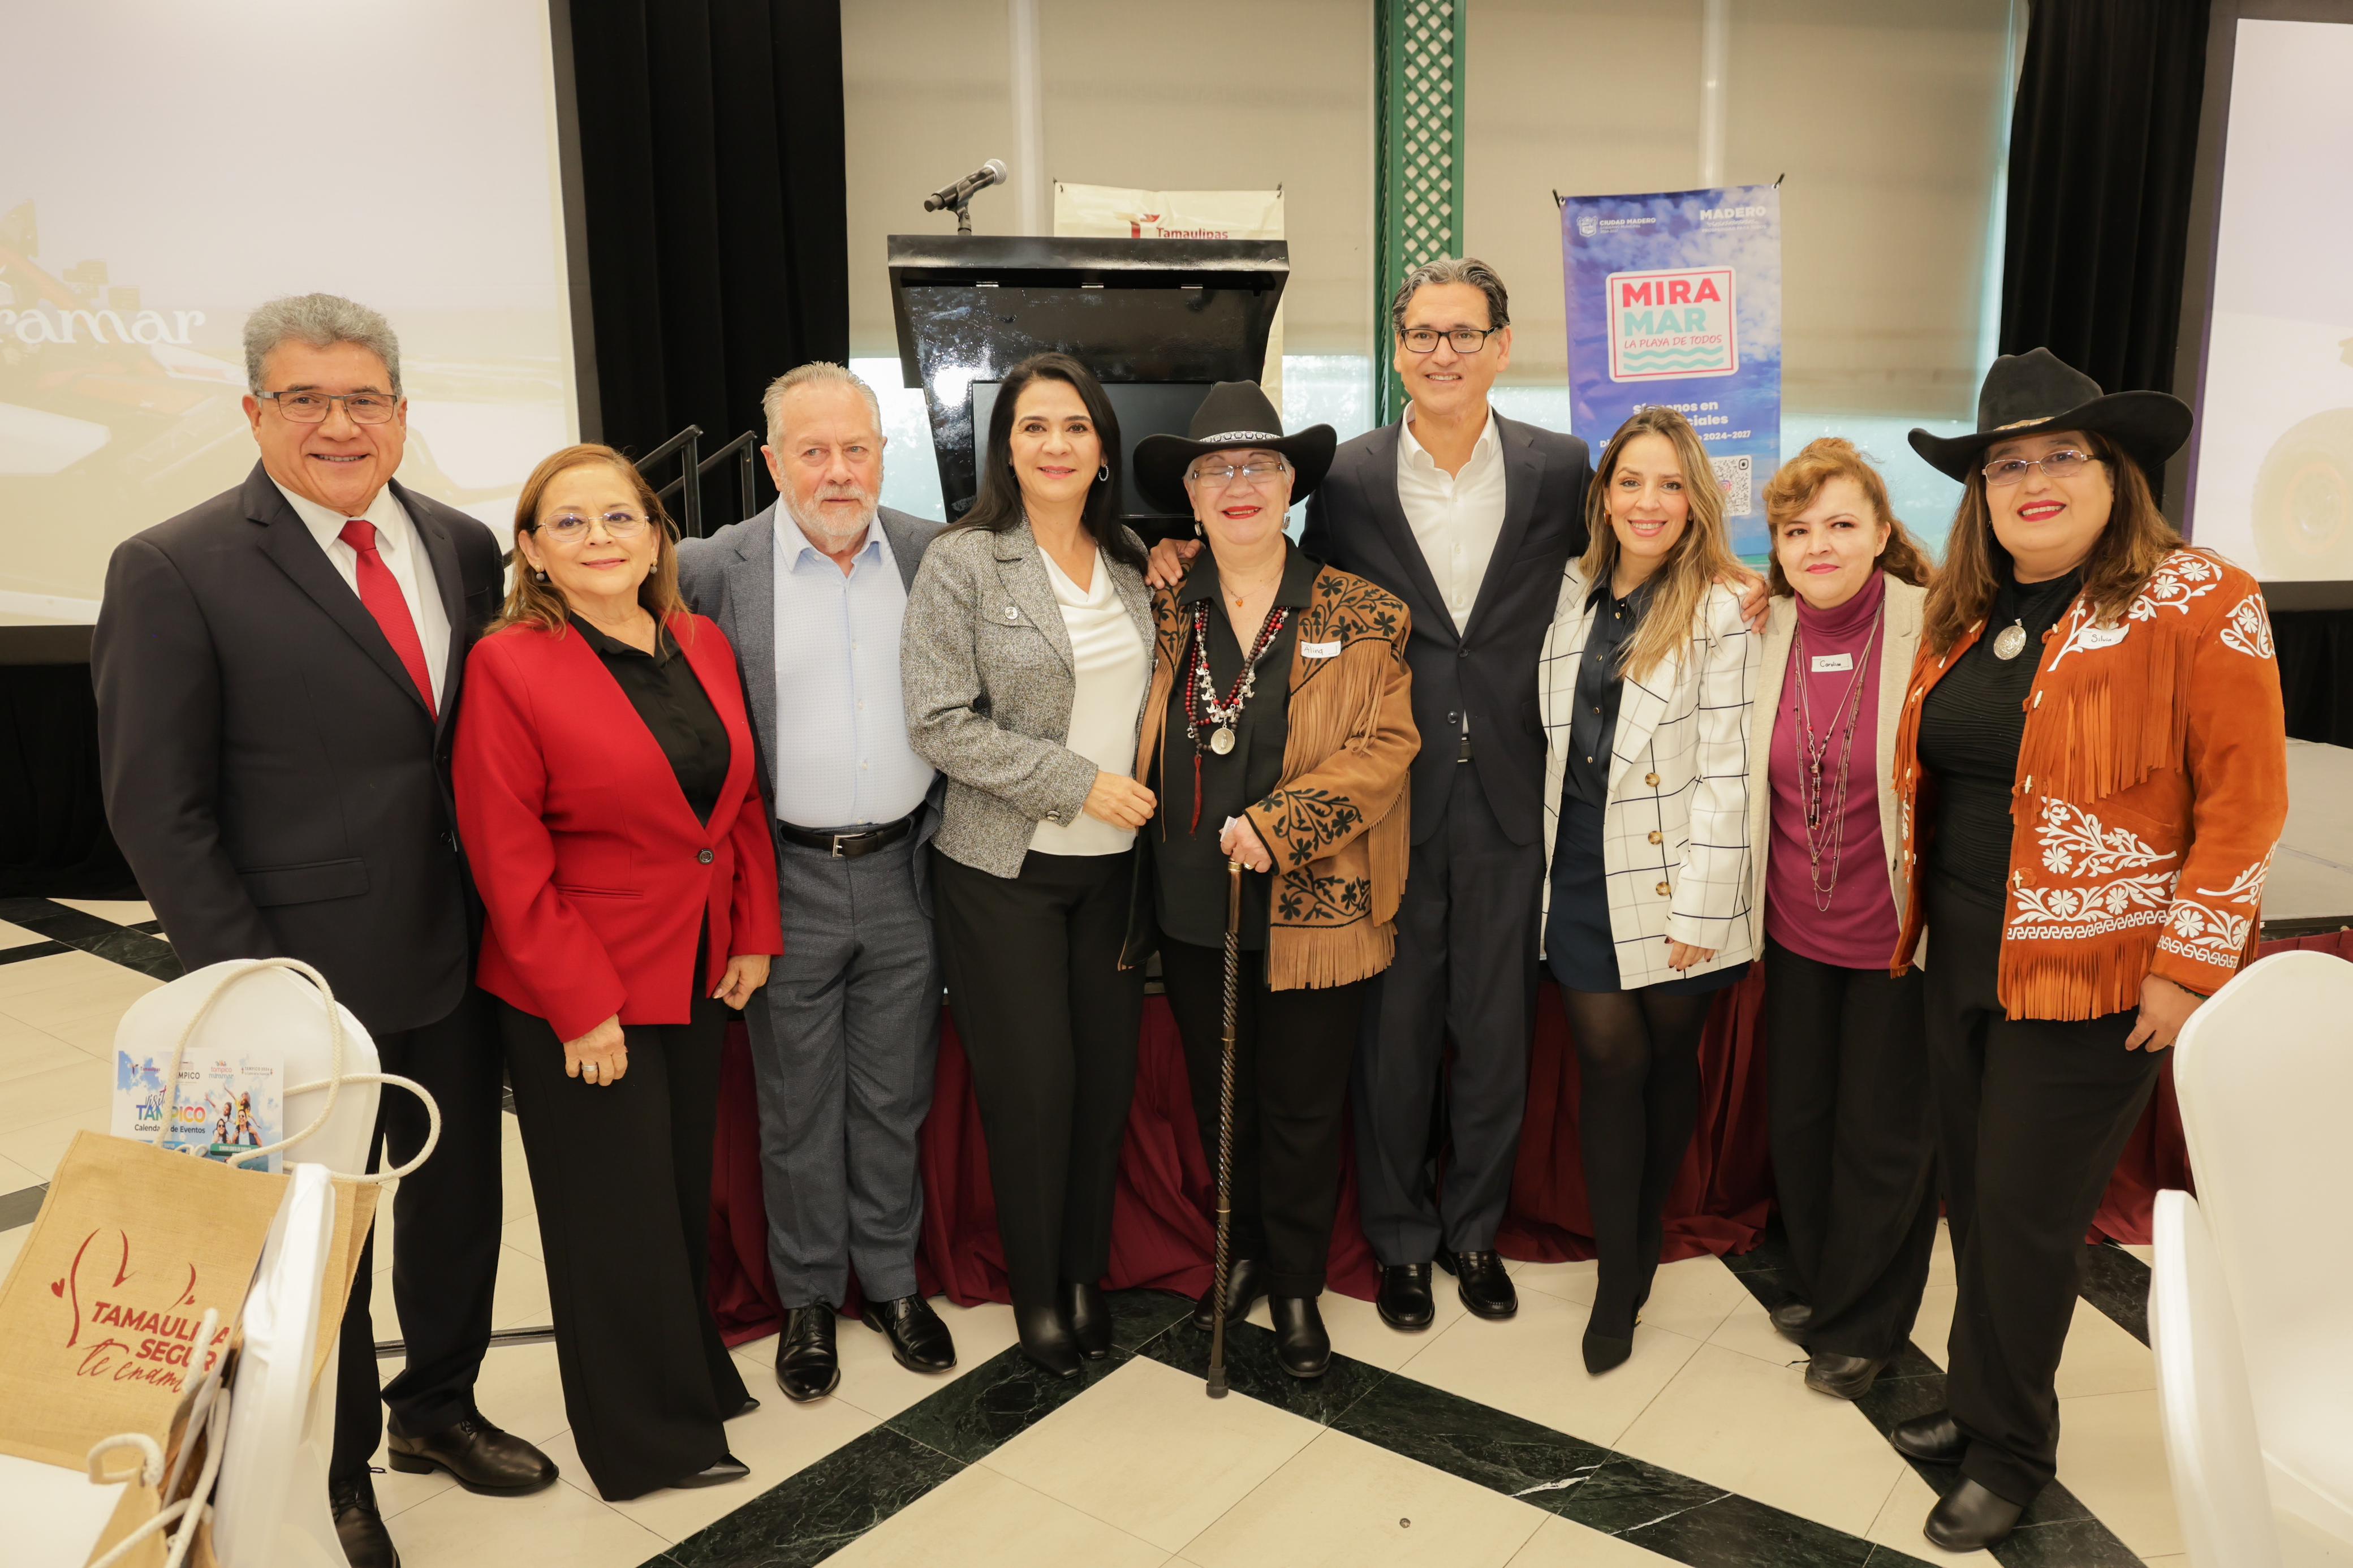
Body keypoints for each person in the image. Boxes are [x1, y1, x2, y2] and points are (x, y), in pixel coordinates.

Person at [92, 293, 553, 1568]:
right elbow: (157, 807)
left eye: (363, 399)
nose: (338, 425)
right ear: (254, 412)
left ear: (402, 413)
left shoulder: (461, 541)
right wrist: (255, 989)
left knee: (456, 1202)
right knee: (321, 1242)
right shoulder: (173, 564)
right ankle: (339, 1469)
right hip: (304, 979)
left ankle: (438, 1410)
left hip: (462, 949)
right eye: (305, 399)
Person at [1881, 349, 2289, 1548]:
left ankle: (2010, 1451)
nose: (2035, 481)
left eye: (2064, 454)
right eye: (2008, 464)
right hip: (1961, 950)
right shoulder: (1967, 609)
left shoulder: (2201, 598)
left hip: (2099, 972)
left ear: (2117, 472)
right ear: (1983, 492)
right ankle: (1980, 1403)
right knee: (1977, 1198)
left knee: (2023, 1215)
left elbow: (2247, 803)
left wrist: (2188, 966)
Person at [1152, 257, 1592, 1330]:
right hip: (1384, 803)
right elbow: (1278, 580)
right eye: (1423, 334)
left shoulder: (1561, 468)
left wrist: (1729, 576)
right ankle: (1398, 1243)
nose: (1443, 352)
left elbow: (1622, 565)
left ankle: (1474, 1234)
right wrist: (1170, 545)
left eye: (1464, 333)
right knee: (1393, 1037)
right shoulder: (1347, 478)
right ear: (1397, 350)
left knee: (1495, 1029)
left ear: (1501, 346)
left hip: (1510, 786)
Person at [454, 442, 782, 1500]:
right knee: (612, 1219)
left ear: (655, 536)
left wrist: (753, 929)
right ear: (533, 552)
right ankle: (645, 1440)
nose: (600, 537)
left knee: (675, 1195)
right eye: (570, 522)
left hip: (695, 966)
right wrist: (580, 1008)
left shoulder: (699, 639)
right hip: (582, 985)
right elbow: (505, 854)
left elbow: (737, 805)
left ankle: (691, 1375)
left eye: (620, 517)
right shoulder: (509, 663)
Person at [675, 363, 956, 1405]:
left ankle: (890, 1283)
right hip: (779, 878)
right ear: (772, 461)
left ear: (883, 454)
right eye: (813, 451)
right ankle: (805, 1296)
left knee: (894, 1097)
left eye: (856, 450)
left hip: (906, 872)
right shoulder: (713, 569)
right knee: (796, 1106)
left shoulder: (935, 554)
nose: (838, 472)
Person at [1126, 383, 1419, 1378]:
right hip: (1189, 903)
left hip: (1317, 909)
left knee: (1301, 1107)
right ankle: (1241, 1247)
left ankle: (1296, 1284)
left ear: (1292, 486)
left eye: (1259, 465)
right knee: (1225, 1100)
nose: (1238, 484)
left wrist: (1282, 826)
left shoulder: (1363, 612)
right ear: (1190, 497)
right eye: (1215, 470)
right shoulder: (1157, 601)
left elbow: (1387, 748)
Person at [900, 352, 1155, 1379]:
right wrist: (1075, 784)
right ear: (1006, 449)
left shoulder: (1133, 559)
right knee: (1034, 1092)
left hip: (1118, 875)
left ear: (1104, 449)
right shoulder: (963, 561)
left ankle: (1086, 1273)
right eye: (1034, 427)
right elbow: (937, 723)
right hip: (1003, 872)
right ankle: (1039, 1293)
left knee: (1102, 1087)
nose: (1057, 445)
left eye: (1076, 426)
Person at [1537, 405, 1759, 1375]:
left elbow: (1728, 770)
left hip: (1680, 874)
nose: (1649, 502)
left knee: (1670, 1064)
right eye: (1631, 481)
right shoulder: (1569, 589)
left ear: (1697, 499)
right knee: (1609, 1064)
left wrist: (1702, 908)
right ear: (1604, 494)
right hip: (1580, 866)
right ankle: (1618, 1274)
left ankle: (1645, 1233)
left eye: (1670, 484)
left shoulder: (1720, 607)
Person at [1743, 439, 1937, 1402]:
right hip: (1793, 929)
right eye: (1796, 530)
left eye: (1841, 525)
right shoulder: (1763, 626)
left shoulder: (1933, 625)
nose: (1818, 546)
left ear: (1883, 533)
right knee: (1803, 1120)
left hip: (1897, 937)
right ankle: (1827, 1287)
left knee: (1881, 1134)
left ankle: (1866, 1323)